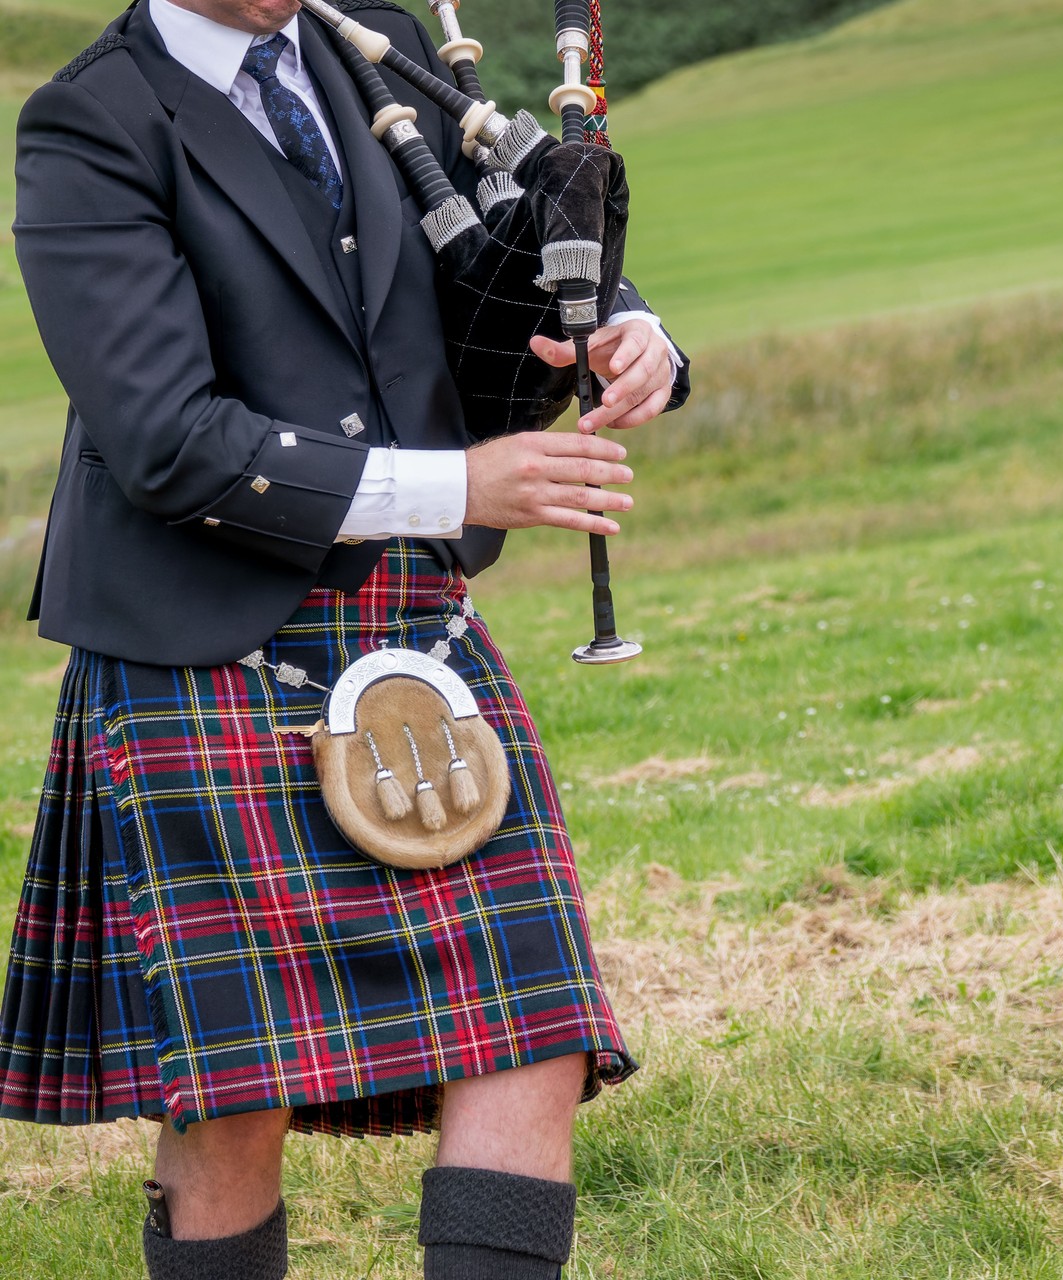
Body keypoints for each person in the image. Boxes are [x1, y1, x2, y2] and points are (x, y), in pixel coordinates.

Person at [0, 0, 689, 1275]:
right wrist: (458, 487)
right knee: (232, 1087)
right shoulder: (86, 124)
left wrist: (634, 327)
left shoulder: (370, 39)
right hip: (192, 638)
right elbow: (166, 440)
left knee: (533, 1025)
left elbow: (515, 221)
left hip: (410, 622)